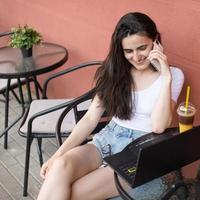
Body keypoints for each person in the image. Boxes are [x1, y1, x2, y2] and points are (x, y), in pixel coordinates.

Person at [37, 12, 184, 200]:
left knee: (71, 193)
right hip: (109, 138)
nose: (136, 57)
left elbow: (158, 126)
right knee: (59, 166)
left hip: (141, 152)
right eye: (128, 51)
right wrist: (56, 155)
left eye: (142, 48)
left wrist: (166, 76)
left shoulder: (173, 76)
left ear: (155, 42)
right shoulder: (115, 72)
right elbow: (90, 118)